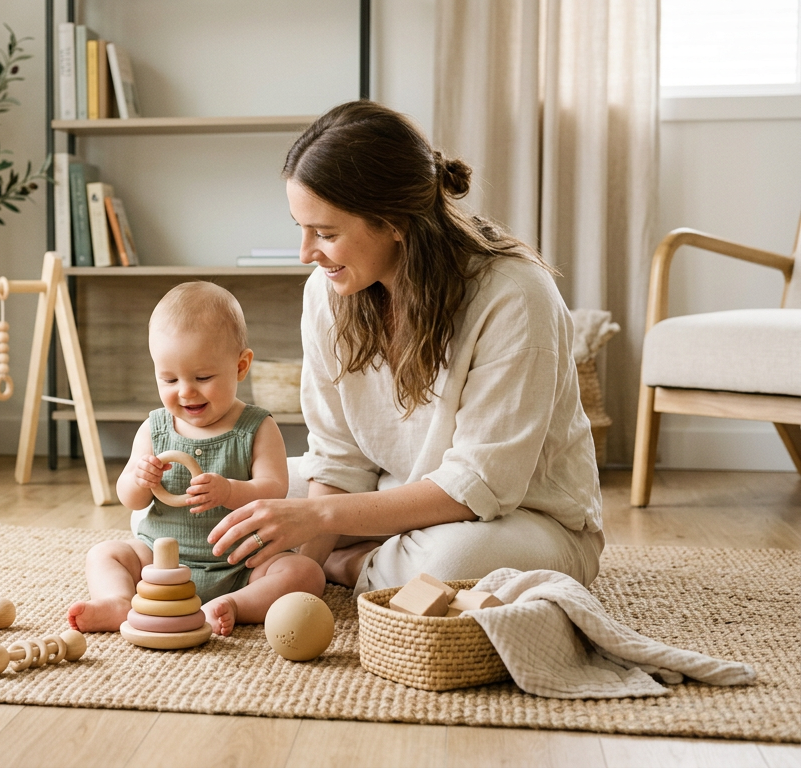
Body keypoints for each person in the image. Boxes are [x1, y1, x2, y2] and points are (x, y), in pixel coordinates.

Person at [207, 100, 604, 594]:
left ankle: (354, 567)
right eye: (301, 229)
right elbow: (338, 457)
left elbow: (481, 484)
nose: (306, 253)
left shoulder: (515, 295)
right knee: (218, 488)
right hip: (387, 495)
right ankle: (360, 562)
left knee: (455, 559)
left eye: (326, 233)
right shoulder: (328, 290)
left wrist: (318, 520)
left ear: (394, 222)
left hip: (519, 519)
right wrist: (299, 571)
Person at [67, 282, 325, 635]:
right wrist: (140, 479)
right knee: (104, 554)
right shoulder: (155, 428)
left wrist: (229, 491)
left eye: (203, 377)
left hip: (239, 564)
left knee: (305, 573)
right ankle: (119, 602)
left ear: (241, 366)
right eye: (169, 378)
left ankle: (232, 604)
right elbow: (130, 497)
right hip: (158, 563)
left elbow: (274, 489)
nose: (186, 391)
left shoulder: (258, 427)